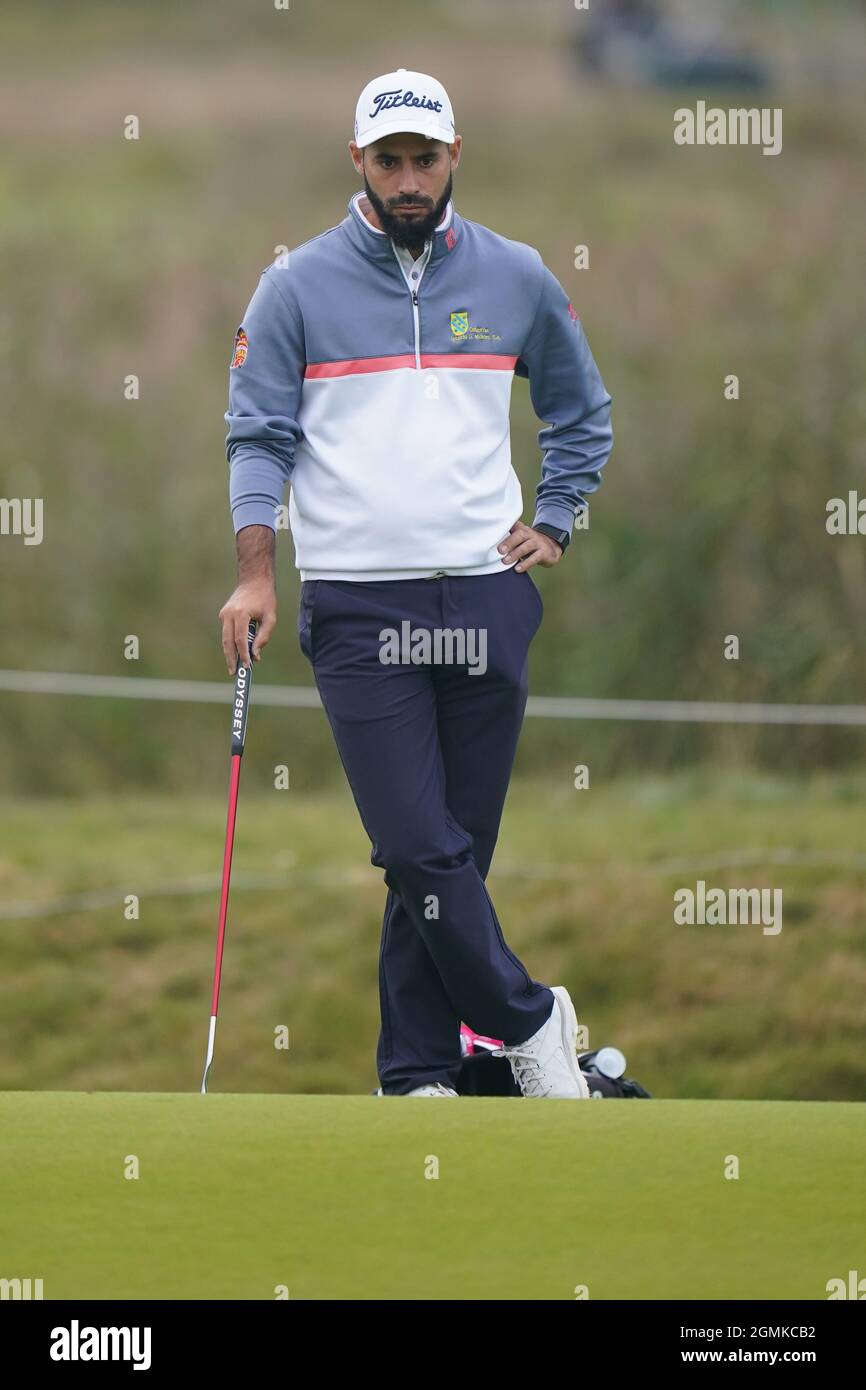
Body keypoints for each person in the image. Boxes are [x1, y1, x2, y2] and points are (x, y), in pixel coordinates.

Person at [220, 68, 613, 1099]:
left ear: (452, 156)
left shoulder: (516, 275)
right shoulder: (294, 286)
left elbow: (581, 409)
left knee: (445, 856)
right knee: (412, 837)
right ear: (357, 161)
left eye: (422, 159)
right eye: (386, 160)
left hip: (485, 597)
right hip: (357, 606)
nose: (406, 179)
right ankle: (530, 1019)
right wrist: (255, 574)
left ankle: (416, 1072)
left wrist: (557, 521)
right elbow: (256, 437)